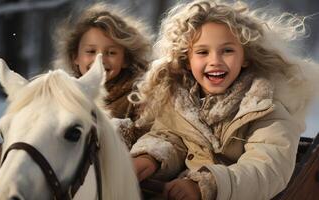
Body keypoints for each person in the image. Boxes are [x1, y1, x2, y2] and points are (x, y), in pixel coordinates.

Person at [129, 0, 319, 199]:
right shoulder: (179, 103)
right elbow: (171, 137)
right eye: (203, 52)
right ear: (186, 60)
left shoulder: (265, 108)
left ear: (245, 57)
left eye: (227, 51)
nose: (215, 61)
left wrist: (205, 185)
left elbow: (266, 168)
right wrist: (150, 157)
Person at [52, 3, 152, 148]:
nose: (100, 59)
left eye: (111, 53)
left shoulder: (139, 97)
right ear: (75, 57)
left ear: (125, 60)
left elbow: (147, 136)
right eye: (91, 51)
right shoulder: (64, 96)